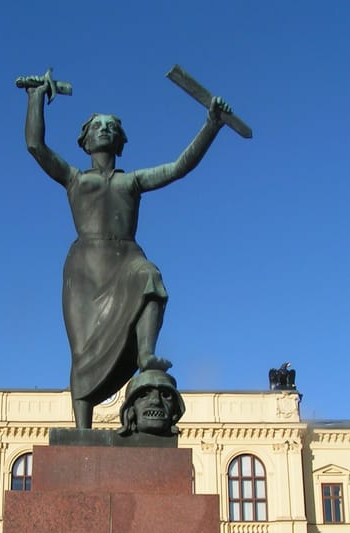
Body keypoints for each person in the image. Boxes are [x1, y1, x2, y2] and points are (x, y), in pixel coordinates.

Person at [24, 79, 229, 428]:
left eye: (111, 127)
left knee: (149, 274)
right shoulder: (75, 179)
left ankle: (146, 351)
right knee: (82, 350)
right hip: (86, 267)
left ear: (120, 141)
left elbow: (179, 166)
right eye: (97, 127)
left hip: (126, 258)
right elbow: (35, 145)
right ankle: (82, 430)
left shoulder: (131, 181)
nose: (104, 130)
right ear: (85, 140)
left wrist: (211, 125)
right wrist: (35, 98)